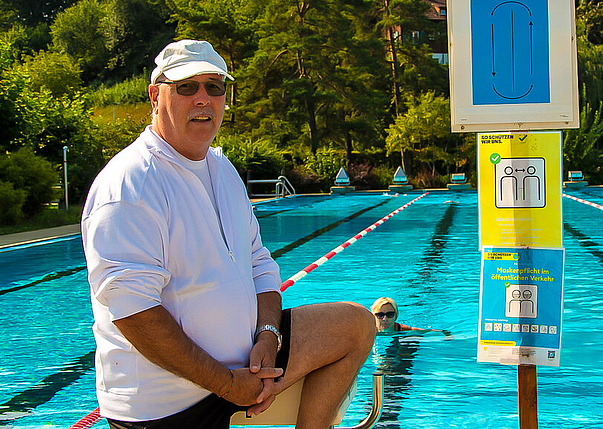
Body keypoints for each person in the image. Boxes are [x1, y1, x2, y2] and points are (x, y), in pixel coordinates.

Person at [81, 40, 375, 429]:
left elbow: (258, 263)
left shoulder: (222, 169)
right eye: (187, 87)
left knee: (355, 324)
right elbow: (134, 314)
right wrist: (227, 384)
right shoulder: (130, 186)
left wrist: (269, 338)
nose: (203, 98)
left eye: (214, 86)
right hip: (171, 405)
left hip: (244, 366)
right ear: (156, 96)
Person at [371, 297, 451, 337]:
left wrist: (447, 334)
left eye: (390, 315)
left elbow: (426, 331)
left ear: (396, 316)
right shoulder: (368, 331)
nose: (385, 319)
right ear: (373, 317)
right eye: (380, 315)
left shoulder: (403, 329)